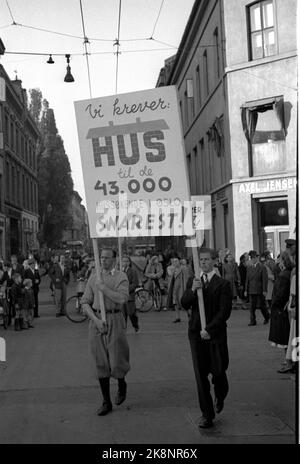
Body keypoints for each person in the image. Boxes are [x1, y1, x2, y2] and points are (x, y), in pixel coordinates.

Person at [181, 247, 232, 429]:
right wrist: (193, 290)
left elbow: (224, 312)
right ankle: (207, 414)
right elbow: (184, 303)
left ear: (214, 261)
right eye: (201, 260)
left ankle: (221, 392)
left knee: (218, 371)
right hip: (196, 335)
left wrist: (209, 329)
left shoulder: (223, 284)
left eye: (207, 260)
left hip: (215, 335)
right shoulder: (193, 281)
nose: (203, 263)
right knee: (200, 376)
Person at [81, 248, 130, 416]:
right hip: (97, 321)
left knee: (117, 361)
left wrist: (103, 289)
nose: (103, 261)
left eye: (107, 258)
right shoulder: (94, 277)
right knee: (100, 362)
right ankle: (106, 401)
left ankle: (122, 383)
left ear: (114, 259)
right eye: (101, 257)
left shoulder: (120, 277)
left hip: (115, 319)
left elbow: (122, 299)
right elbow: (85, 302)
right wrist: (95, 320)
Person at [268, 252, 294, 369]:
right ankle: (289, 360)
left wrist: (275, 304)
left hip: (281, 309)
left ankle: (289, 362)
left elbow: (280, 293)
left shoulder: (284, 275)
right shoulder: (287, 273)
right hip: (284, 308)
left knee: (285, 337)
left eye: (280, 259)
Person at [244, 250, 270, 326]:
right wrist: (246, 290)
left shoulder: (262, 267)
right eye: (252, 258)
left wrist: (265, 290)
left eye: (255, 257)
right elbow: (247, 280)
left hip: (260, 289)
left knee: (262, 306)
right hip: (251, 289)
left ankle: (267, 316)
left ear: (257, 258)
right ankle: (253, 321)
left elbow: (264, 280)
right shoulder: (249, 268)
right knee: (252, 306)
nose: (253, 259)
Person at [167, 256, 191, 323]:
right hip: (175, 288)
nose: (174, 262)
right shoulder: (173, 269)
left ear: (179, 262)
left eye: (176, 261)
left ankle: (189, 316)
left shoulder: (183, 268)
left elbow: (186, 278)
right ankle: (178, 317)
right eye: (173, 261)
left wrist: (186, 288)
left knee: (184, 303)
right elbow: (172, 280)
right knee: (175, 302)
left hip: (181, 288)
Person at [122, 255, 140, 332]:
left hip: (130, 296)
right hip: (121, 297)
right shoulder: (119, 271)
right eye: (123, 261)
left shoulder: (133, 271)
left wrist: (127, 289)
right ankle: (123, 328)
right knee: (123, 314)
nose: (125, 262)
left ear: (129, 262)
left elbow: (135, 283)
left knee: (131, 313)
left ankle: (135, 325)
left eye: (126, 261)